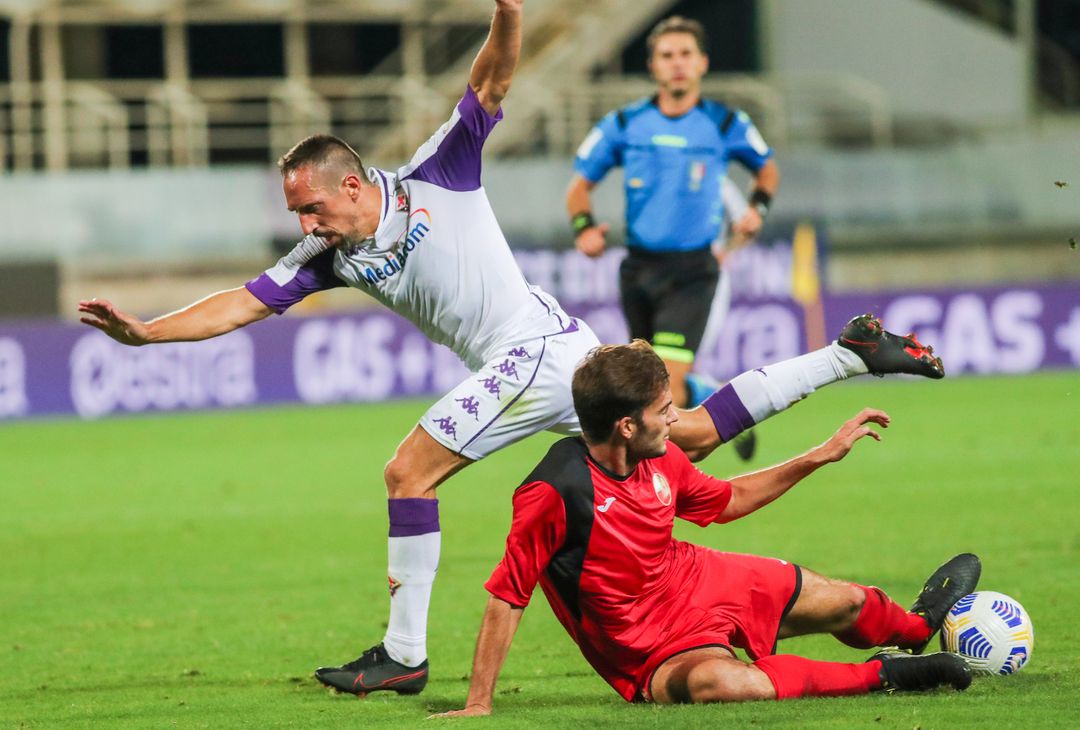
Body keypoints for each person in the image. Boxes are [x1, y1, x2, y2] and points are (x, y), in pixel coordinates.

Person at [78, 0, 945, 697]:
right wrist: (147, 331)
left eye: (312, 208)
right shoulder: (329, 254)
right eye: (298, 216)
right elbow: (242, 302)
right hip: (554, 349)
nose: (304, 226)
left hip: (530, 351)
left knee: (405, 474)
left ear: (351, 183)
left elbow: (490, 81)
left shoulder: (434, 175)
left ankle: (405, 655)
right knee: (688, 440)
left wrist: (507, 8)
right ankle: (849, 355)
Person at [434, 341, 977, 717]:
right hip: (645, 647)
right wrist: (479, 702)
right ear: (627, 426)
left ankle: (915, 628)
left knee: (847, 603)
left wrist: (820, 456)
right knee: (724, 684)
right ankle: (886, 677)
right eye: (665, 410)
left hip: (697, 579)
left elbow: (729, 499)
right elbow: (508, 596)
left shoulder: (661, 457)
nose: (675, 419)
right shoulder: (554, 491)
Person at [566, 15, 780, 418]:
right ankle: (700, 392)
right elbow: (578, 187)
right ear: (652, 66)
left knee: (662, 384)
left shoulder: (724, 123)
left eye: (685, 54)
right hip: (639, 270)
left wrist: (757, 209)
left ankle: (677, 475)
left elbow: (766, 169)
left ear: (702, 63)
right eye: (667, 55)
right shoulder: (625, 124)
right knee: (643, 388)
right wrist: (584, 230)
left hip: (693, 271)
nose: (677, 63)